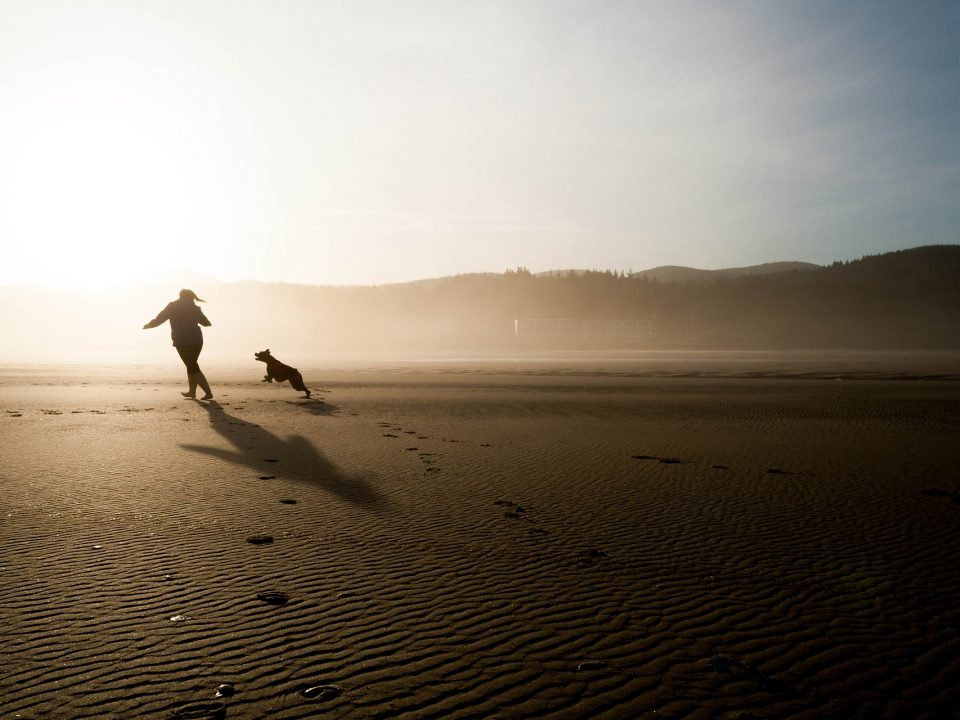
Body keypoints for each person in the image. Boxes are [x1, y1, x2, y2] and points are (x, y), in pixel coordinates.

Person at [143, 289, 213, 400]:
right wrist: (205, 321)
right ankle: (192, 392)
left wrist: (149, 325)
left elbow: (160, 318)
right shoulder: (194, 308)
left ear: (180, 296)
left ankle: (208, 392)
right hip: (197, 341)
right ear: (190, 297)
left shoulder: (173, 306)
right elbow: (206, 323)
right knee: (191, 365)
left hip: (182, 341)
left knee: (192, 366)